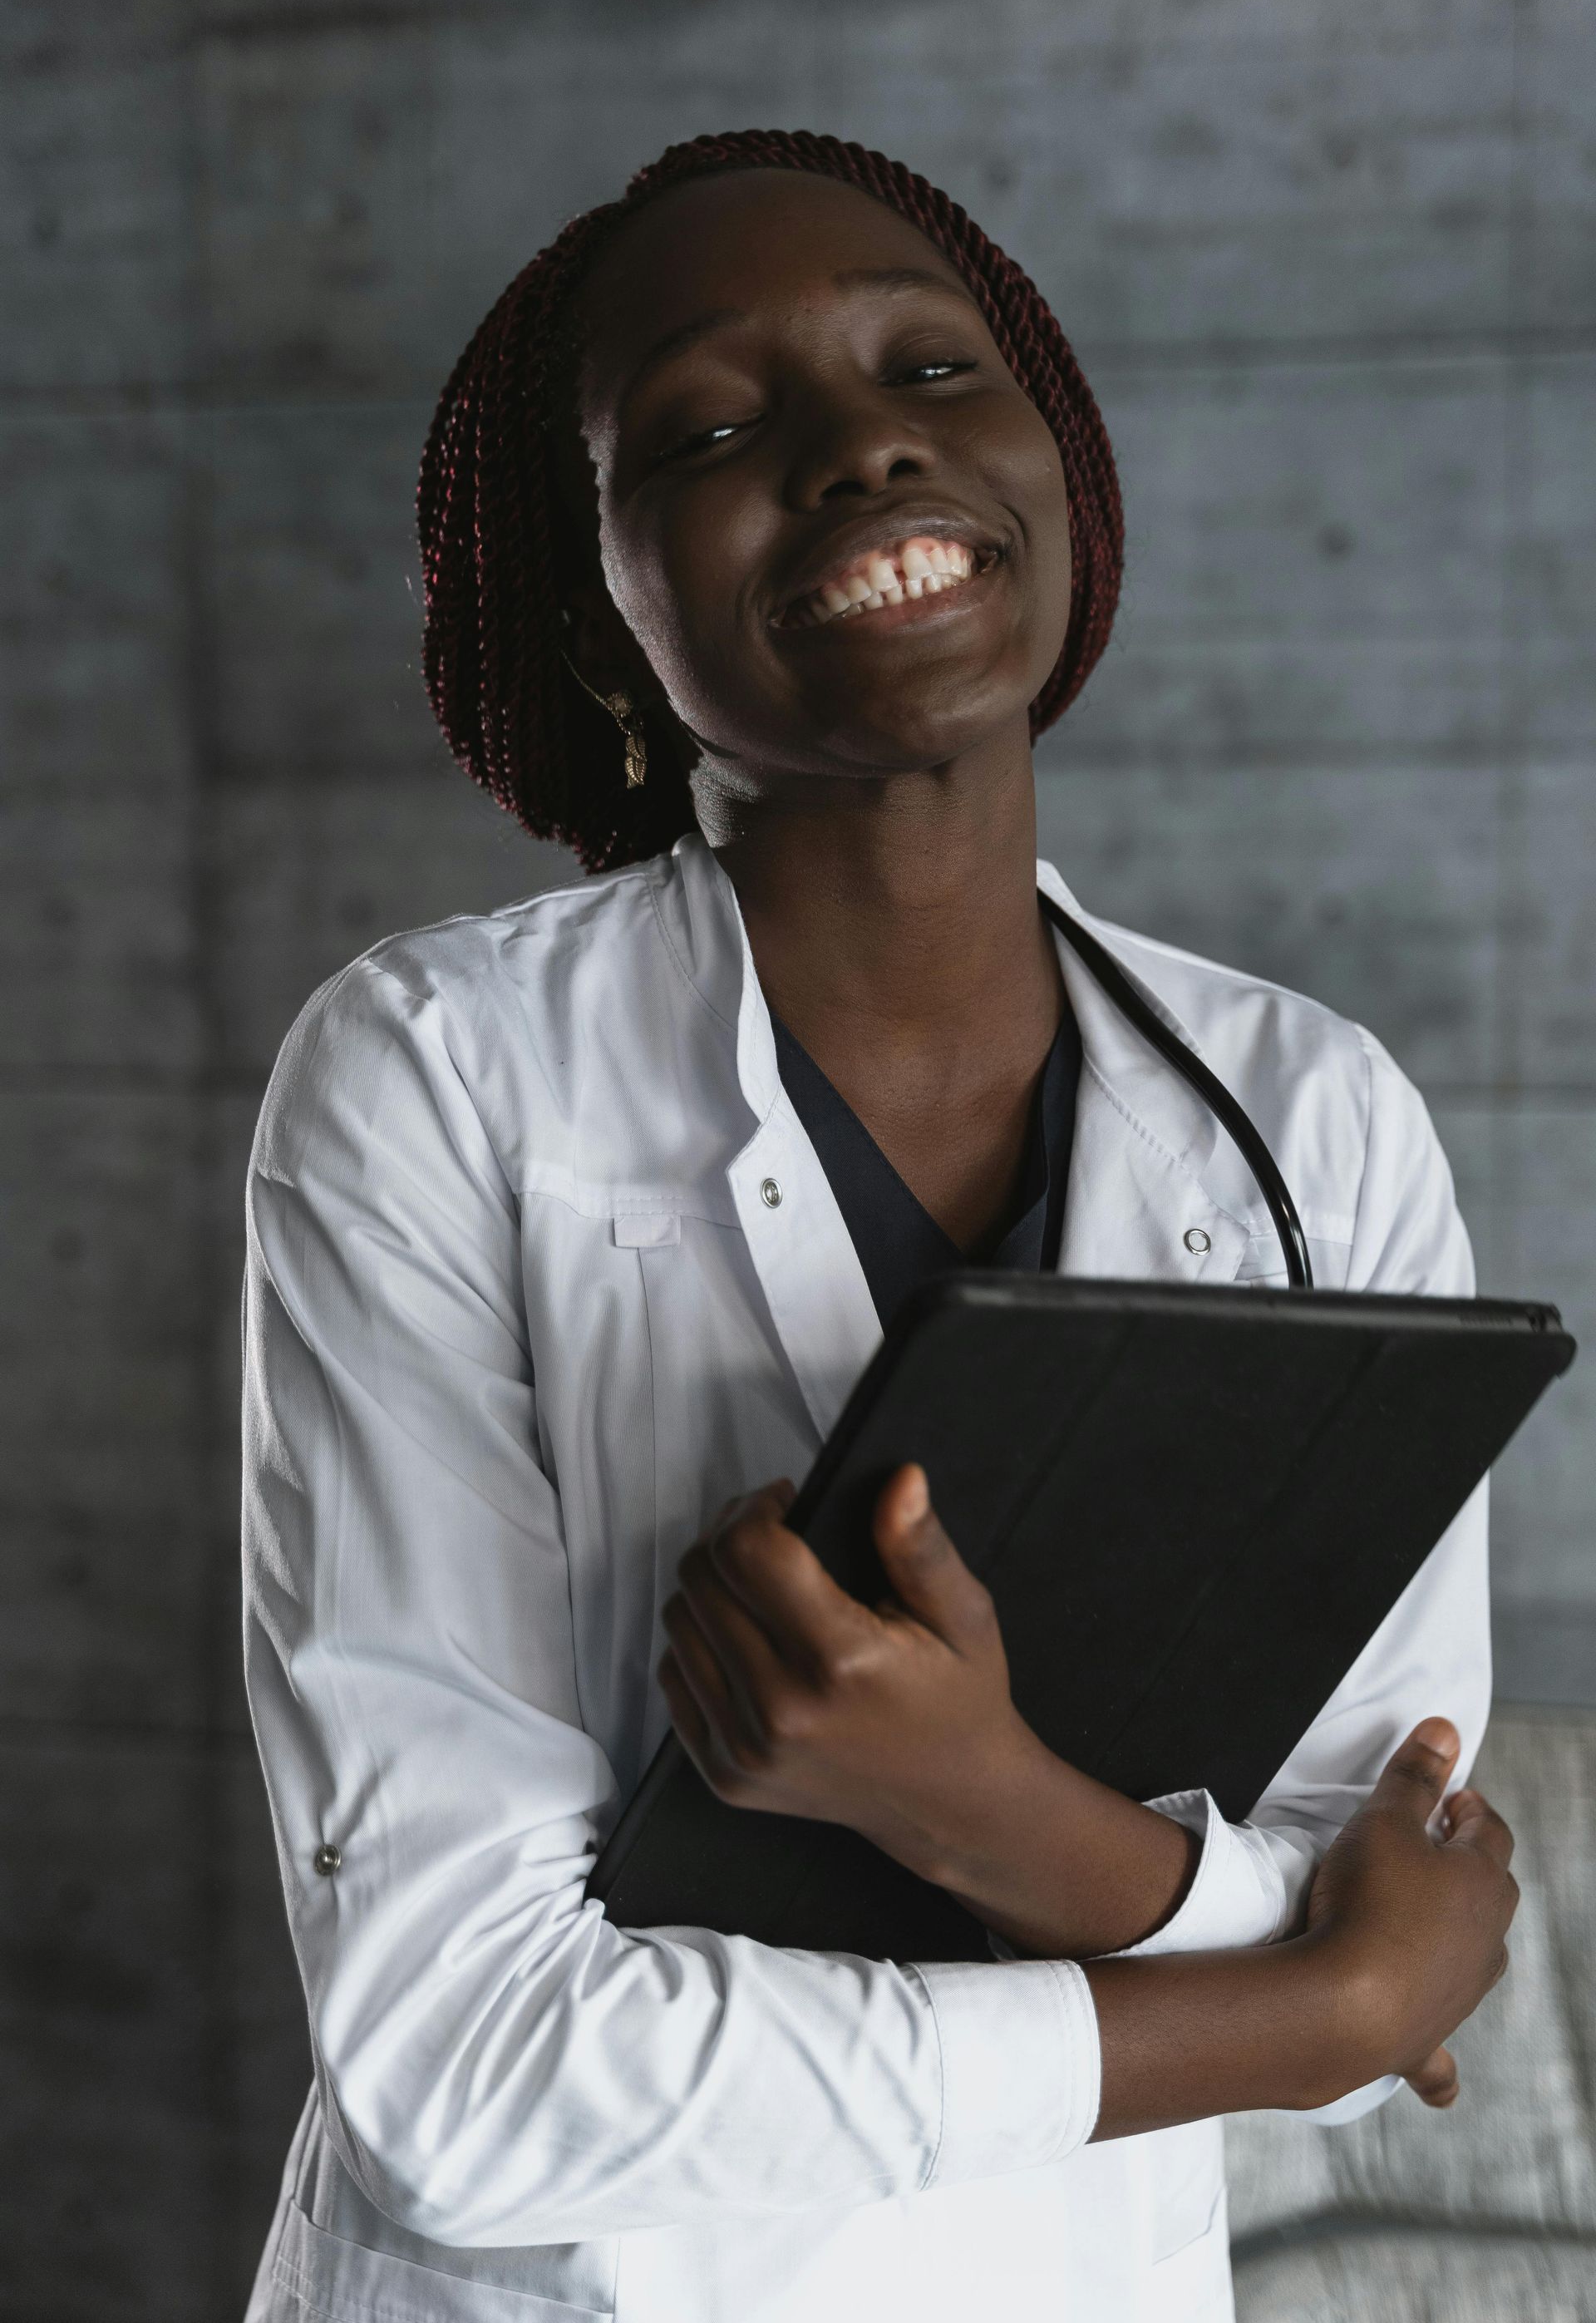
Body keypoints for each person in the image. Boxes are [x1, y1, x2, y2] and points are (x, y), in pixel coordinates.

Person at [241, 131, 1517, 2323]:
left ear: (1058, 471)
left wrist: (990, 1809)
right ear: (598, 620)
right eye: (718, 427)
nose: (863, 448)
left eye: (932, 363)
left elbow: (1388, 1882)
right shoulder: (437, 1082)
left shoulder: (1312, 1119)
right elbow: (466, 2075)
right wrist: (1286, 2017)